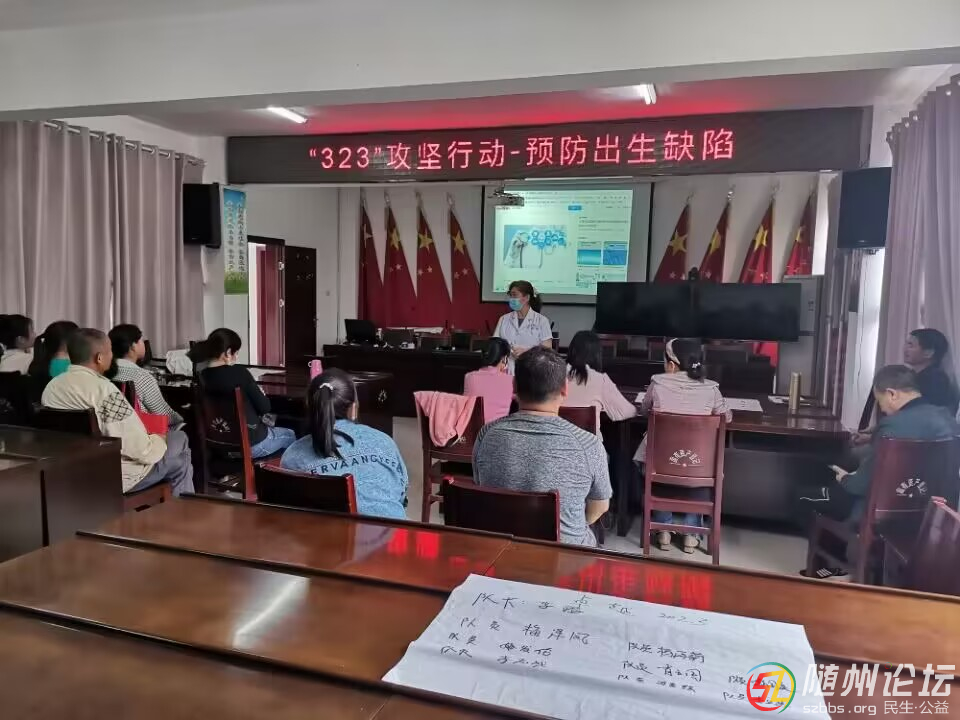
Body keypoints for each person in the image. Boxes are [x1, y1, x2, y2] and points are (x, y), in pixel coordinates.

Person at [473, 346, 612, 546]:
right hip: (565, 556)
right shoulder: (589, 444)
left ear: (514, 386)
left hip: (500, 551)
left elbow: (481, 486)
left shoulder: (486, 435)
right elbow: (600, 506)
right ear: (565, 388)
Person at [803, 365, 957, 535]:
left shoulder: (892, 425)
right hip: (931, 521)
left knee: (803, 496)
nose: (882, 409)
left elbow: (860, 486)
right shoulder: (949, 420)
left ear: (892, 394)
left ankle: (841, 545)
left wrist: (845, 478)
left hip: (882, 520)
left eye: (880, 401)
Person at [41, 328, 194, 496]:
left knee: (179, 462)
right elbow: (139, 449)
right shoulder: (105, 391)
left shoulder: (52, 387)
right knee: (180, 440)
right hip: (115, 475)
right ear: (99, 358)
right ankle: (186, 505)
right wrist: (159, 438)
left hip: (68, 471)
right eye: (110, 351)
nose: (112, 356)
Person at [634, 338, 731, 553]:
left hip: (661, 467)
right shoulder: (712, 389)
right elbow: (727, 417)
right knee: (698, 463)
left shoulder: (657, 384)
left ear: (671, 364)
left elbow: (644, 410)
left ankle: (663, 529)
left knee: (651, 459)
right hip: (698, 469)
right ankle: (690, 534)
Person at [281, 369, 408, 519]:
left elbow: (291, 509)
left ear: (310, 406)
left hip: (322, 533)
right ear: (353, 408)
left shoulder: (292, 457)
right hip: (392, 531)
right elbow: (401, 494)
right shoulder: (384, 442)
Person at [200, 328, 296, 458]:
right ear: (228, 352)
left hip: (217, 446)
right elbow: (265, 408)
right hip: (251, 446)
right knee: (290, 434)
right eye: (236, 352)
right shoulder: (239, 372)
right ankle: (274, 470)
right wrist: (261, 394)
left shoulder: (202, 376)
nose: (236, 356)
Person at [109, 324, 184, 428]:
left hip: (112, 431)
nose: (144, 344)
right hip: (142, 432)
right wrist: (183, 418)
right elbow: (164, 415)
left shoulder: (104, 372)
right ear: (133, 346)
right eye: (141, 340)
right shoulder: (141, 376)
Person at [563, 330, 637, 426]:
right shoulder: (600, 380)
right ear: (597, 354)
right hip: (588, 436)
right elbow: (626, 411)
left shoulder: (554, 375)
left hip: (557, 434)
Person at [493, 280, 552, 373]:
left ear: (527, 297)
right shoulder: (504, 319)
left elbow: (547, 351)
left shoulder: (542, 321)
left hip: (532, 371)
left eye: (514, 295)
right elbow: (495, 345)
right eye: (510, 295)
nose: (511, 299)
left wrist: (528, 352)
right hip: (506, 370)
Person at [463, 337, 514, 423]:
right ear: (504, 359)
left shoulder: (469, 377)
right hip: (497, 429)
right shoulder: (511, 381)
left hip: (473, 429)